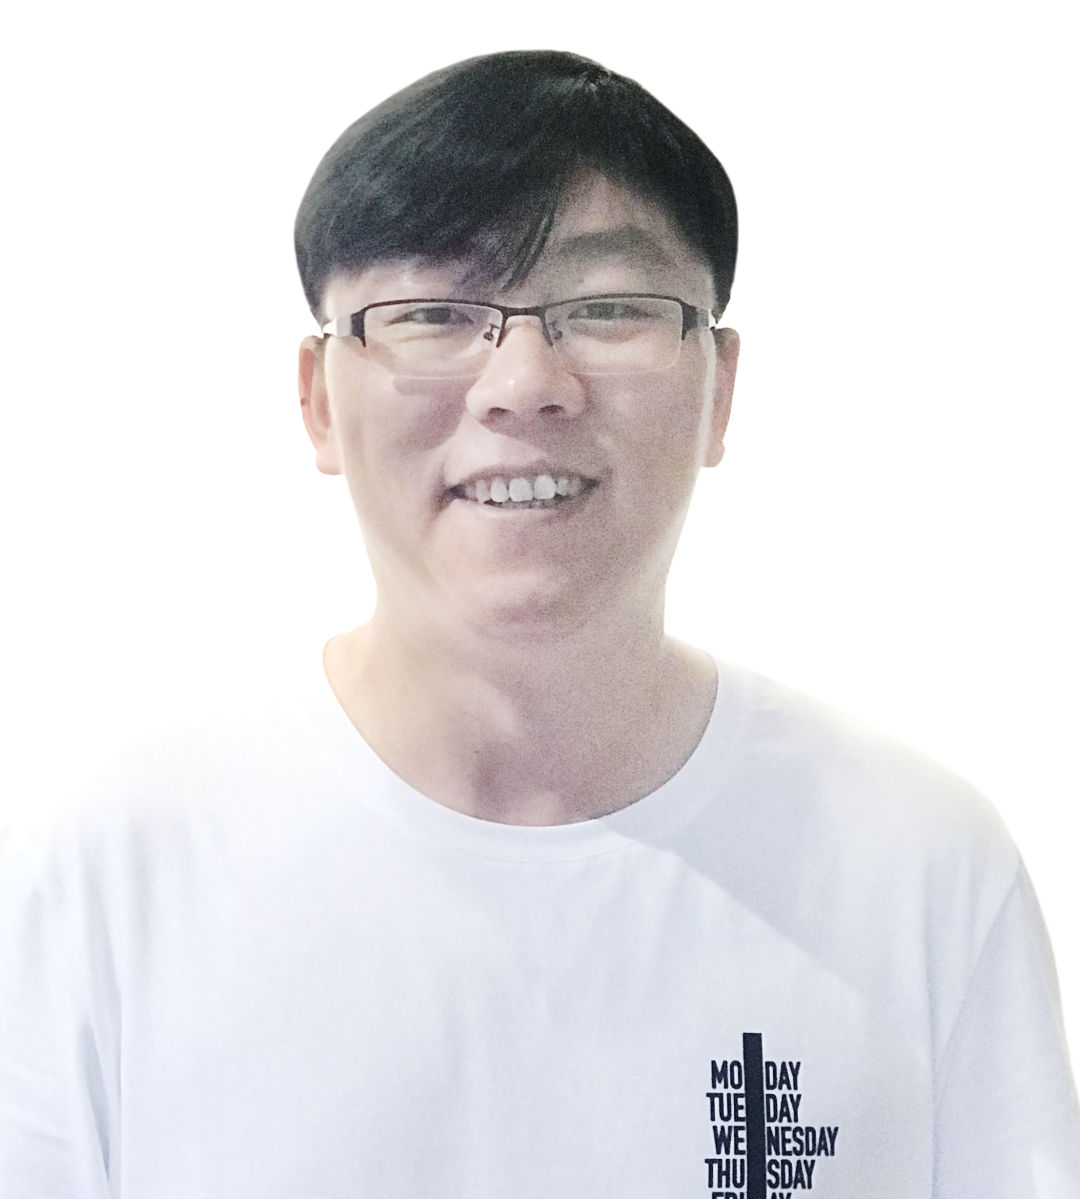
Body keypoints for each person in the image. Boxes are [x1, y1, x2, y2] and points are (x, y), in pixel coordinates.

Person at [1, 46, 1076, 1199]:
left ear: (721, 390)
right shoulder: (82, 873)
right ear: (318, 402)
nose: (523, 383)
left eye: (607, 308)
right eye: (432, 313)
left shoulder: (924, 859)